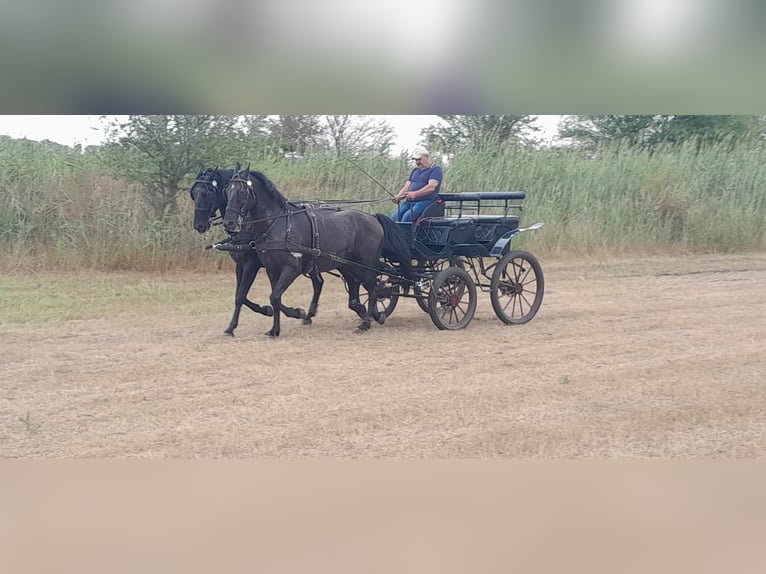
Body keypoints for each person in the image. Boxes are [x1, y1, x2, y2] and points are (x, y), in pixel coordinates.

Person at [390, 146, 443, 222]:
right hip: (409, 202)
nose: (417, 162)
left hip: (426, 202)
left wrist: (415, 194)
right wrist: (398, 196)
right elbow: (407, 187)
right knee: (393, 218)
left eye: (419, 159)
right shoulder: (415, 171)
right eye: (416, 160)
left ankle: (406, 234)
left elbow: (431, 187)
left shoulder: (435, 169)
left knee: (407, 218)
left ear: (427, 157)